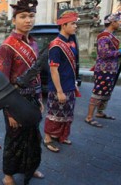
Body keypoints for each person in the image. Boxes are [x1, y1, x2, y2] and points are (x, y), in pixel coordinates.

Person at [0, 0, 44, 185]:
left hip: (32, 99)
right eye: (23, 16)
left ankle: (30, 168)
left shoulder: (33, 43)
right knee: (14, 139)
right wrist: (9, 112)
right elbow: (2, 83)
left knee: (33, 137)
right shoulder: (7, 47)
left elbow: (37, 73)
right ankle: (8, 174)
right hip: (15, 102)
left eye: (31, 16)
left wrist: (40, 98)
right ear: (14, 20)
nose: (28, 20)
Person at [84, 12, 121, 128]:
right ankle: (89, 117)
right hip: (103, 69)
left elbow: (113, 53)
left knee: (106, 92)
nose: (119, 23)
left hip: (111, 69)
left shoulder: (111, 36)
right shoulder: (103, 36)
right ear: (112, 23)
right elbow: (104, 54)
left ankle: (100, 112)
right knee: (98, 92)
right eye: (118, 21)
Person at [43, 10, 80, 153]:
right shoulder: (56, 45)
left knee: (68, 113)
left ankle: (62, 136)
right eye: (73, 24)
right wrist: (59, 91)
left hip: (70, 85)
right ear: (64, 25)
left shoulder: (71, 42)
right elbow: (53, 70)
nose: (75, 26)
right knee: (54, 114)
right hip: (59, 87)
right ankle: (47, 138)